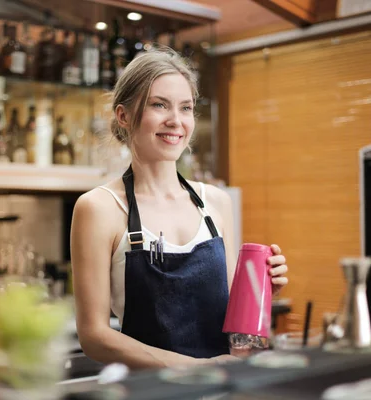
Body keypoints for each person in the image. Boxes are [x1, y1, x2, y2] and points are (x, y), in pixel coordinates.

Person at [71, 48, 288, 369]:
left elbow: (230, 317)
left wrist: (264, 291)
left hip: (220, 390)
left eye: (185, 108)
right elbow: (93, 336)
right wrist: (196, 369)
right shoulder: (99, 208)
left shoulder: (216, 202)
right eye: (159, 105)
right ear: (124, 116)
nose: (176, 121)